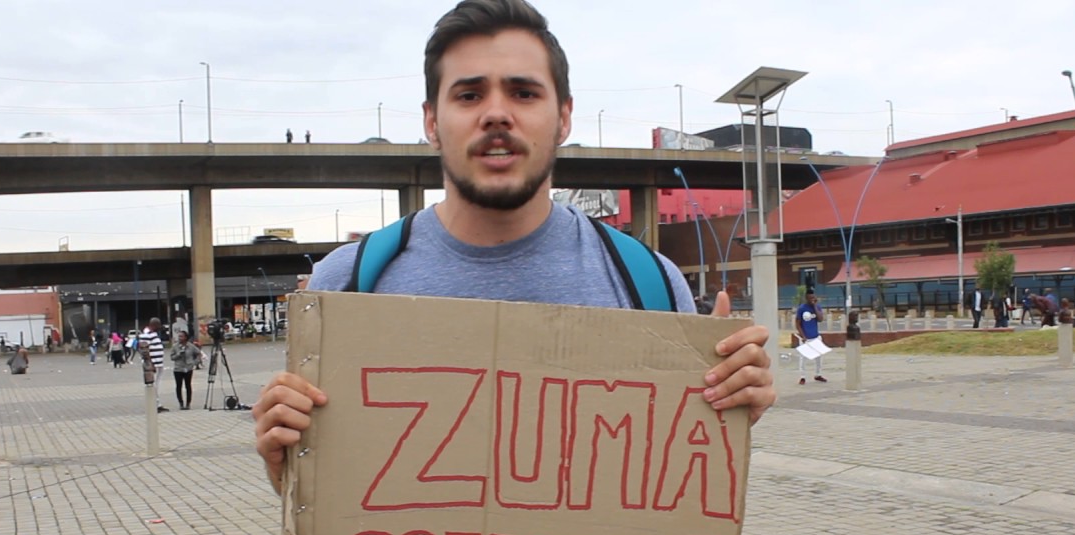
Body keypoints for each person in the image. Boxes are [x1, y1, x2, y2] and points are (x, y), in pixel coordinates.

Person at [252, 0, 775, 495]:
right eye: (469, 95)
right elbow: (331, 508)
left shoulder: (651, 285)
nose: (496, 114)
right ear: (432, 121)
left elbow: (669, 496)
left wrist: (724, 415)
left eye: (523, 93)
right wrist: (287, 465)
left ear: (564, 117)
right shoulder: (345, 286)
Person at [794, 290, 826, 385]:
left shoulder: (817, 307)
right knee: (803, 358)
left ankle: (818, 374)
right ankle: (802, 376)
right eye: (810, 298)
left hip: (815, 336)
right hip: (805, 337)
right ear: (806, 298)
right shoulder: (802, 308)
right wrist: (803, 336)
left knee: (819, 357)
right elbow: (798, 323)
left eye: (813, 297)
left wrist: (815, 306)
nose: (812, 299)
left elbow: (820, 319)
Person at [138, 318, 169, 412]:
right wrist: (150, 364)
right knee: (153, 385)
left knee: (157, 385)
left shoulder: (153, 334)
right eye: (158, 325)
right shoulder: (146, 335)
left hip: (158, 363)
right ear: (154, 325)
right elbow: (144, 351)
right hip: (153, 364)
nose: (159, 327)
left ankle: (157, 403)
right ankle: (154, 404)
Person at [168, 331, 203, 410]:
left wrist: (195, 362)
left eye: (182, 336)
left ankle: (188, 403)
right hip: (178, 368)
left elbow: (198, 353)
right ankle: (181, 403)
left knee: (188, 385)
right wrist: (178, 354)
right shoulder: (175, 346)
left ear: (186, 337)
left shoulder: (191, 346)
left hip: (188, 368)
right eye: (179, 336)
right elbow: (172, 357)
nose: (180, 338)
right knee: (178, 386)